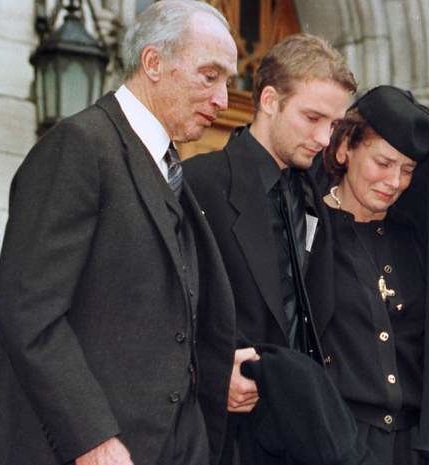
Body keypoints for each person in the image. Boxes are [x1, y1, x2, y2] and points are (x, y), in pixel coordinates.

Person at [0, 1, 237, 465]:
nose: (223, 100)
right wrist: (91, 438)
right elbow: (28, 311)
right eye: (210, 76)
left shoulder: (169, 168)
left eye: (229, 82)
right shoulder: (79, 147)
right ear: (153, 63)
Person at [183, 33, 357, 465]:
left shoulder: (313, 194)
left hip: (298, 432)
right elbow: (166, 305)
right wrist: (210, 372)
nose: (323, 138)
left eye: (333, 124)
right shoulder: (198, 183)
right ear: (268, 100)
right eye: (312, 117)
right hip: (227, 434)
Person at [310, 85, 429, 464]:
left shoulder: (417, 243)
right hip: (333, 442)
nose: (395, 182)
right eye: (383, 163)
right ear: (344, 149)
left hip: (409, 447)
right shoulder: (308, 229)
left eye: (407, 170)